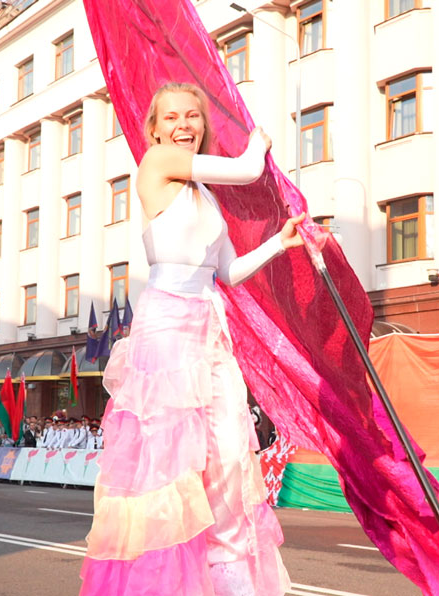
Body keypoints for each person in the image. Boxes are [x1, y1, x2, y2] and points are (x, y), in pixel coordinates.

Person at [80, 83, 297, 596]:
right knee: (171, 466)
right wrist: (261, 140)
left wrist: (279, 244)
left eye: (193, 116)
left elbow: (230, 271)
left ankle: (225, 579)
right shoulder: (156, 163)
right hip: (167, 324)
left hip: (209, 326)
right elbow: (248, 167)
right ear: (155, 128)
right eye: (172, 116)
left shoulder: (206, 196)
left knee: (224, 457)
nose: (184, 123)